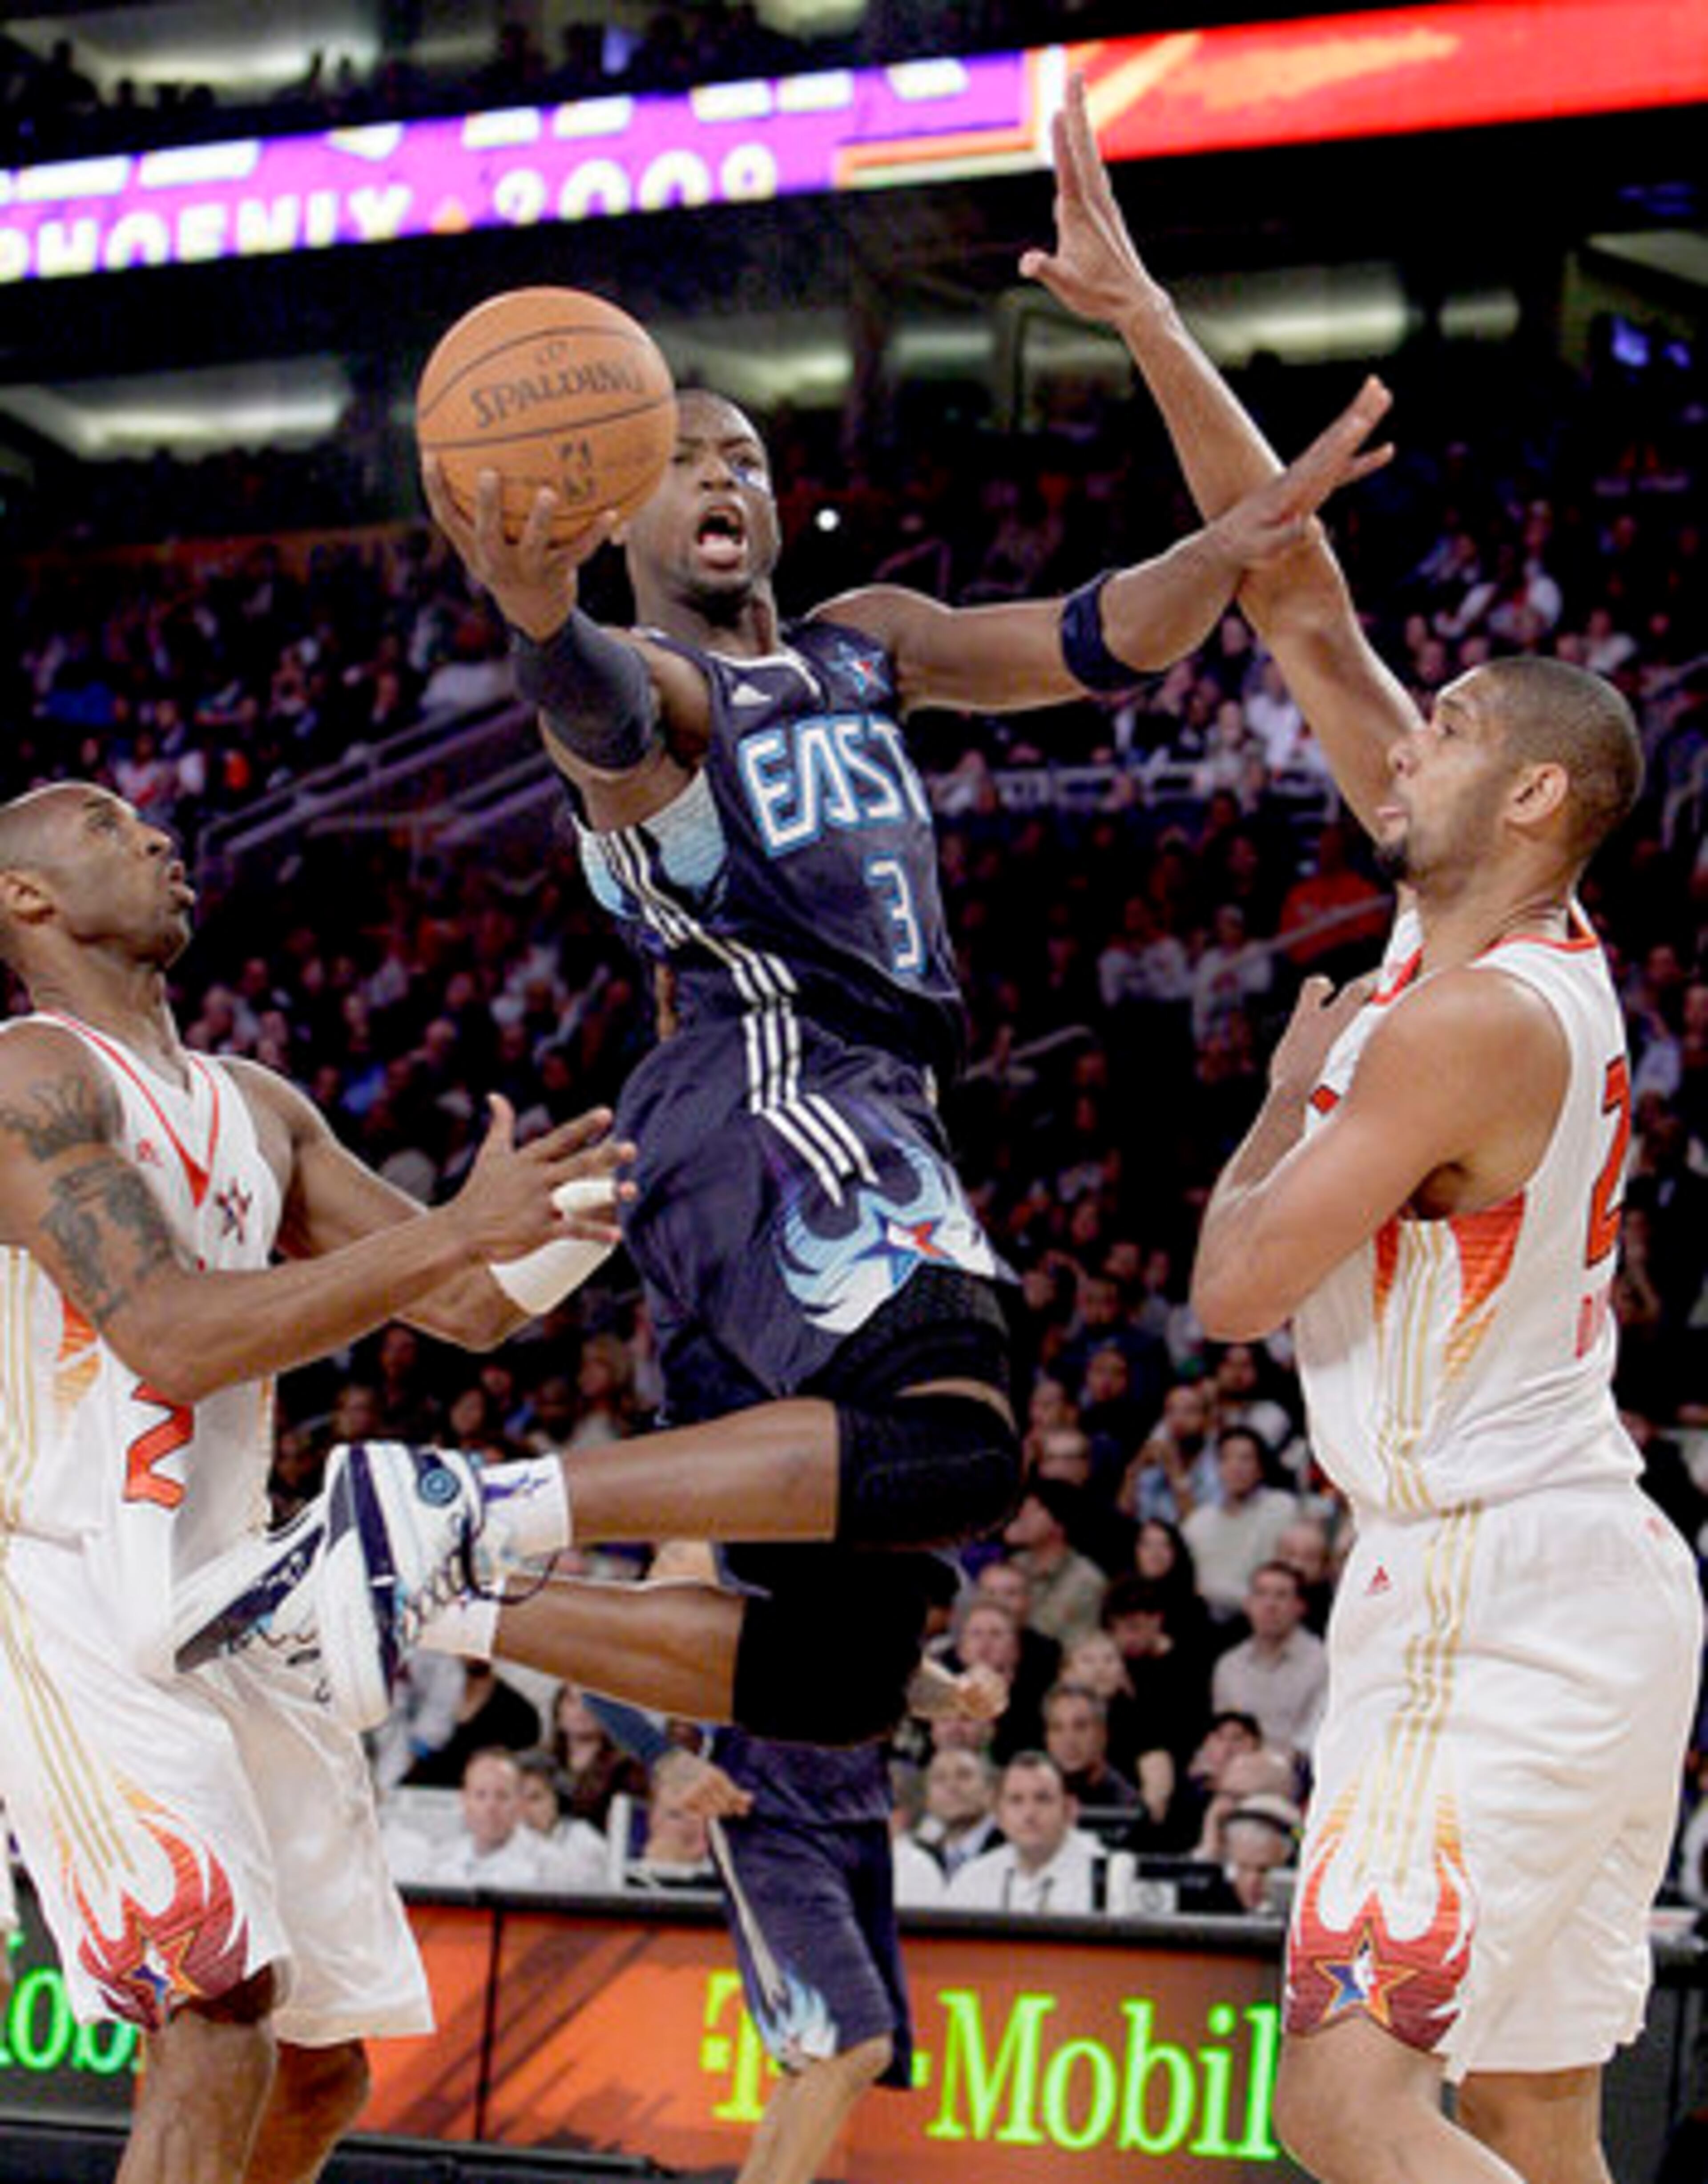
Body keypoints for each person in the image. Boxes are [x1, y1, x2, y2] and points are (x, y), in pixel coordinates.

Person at [184, 163, 1396, 1758]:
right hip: (773, 1076)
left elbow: (1097, 639)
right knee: (957, 1444)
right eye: (682, 455)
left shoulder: (863, 640)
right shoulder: (670, 685)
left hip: (832, 1111)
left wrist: (1232, 541)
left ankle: (430, 1578)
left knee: (835, 1667)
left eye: (746, 455)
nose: (724, 475)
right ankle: (459, 1500)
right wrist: (540, 617)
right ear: (615, 495)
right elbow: (602, 719)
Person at [1023, 70, 1702, 2184]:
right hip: (1580, 1569)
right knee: (1525, 2114)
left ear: (1528, 803)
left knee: (1341, 2105)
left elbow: (1228, 1284)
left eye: (1460, 728)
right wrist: (1142, 310)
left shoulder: (1462, 1025)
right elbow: (1294, 592)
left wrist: (1262, 1108)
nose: (1402, 742)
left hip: (1488, 1582)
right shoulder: (1499, 949)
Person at [0, 780, 625, 2184]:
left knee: (321, 2065)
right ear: (23, 900)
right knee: (216, 2006)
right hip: (68, 1587)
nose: (158, 837)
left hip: (226, 1585)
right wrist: (454, 1235)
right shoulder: (31, 1076)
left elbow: (473, 1299)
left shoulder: (256, 1104)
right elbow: (160, 1329)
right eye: (107, 826)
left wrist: (623, 1192)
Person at [947, 1752, 1100, 1915]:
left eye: (1043, 1799)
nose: (1029, 1814)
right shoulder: (972, 1881)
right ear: (999, 1816)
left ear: (1070, 1810)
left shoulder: (1110, 1876)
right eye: (1016, 1800)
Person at [1209, 1560, 1328, 1760]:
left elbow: (1314, 1738)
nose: (1270, 1605)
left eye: (1281, 1596)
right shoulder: (1229, 1666)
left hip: (1299, 1769)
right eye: (1261, 1594)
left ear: (1300, 1606)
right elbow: (1224, 1733)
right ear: (1248, 1604)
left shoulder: (1323, 1662)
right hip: (1237, 1766)